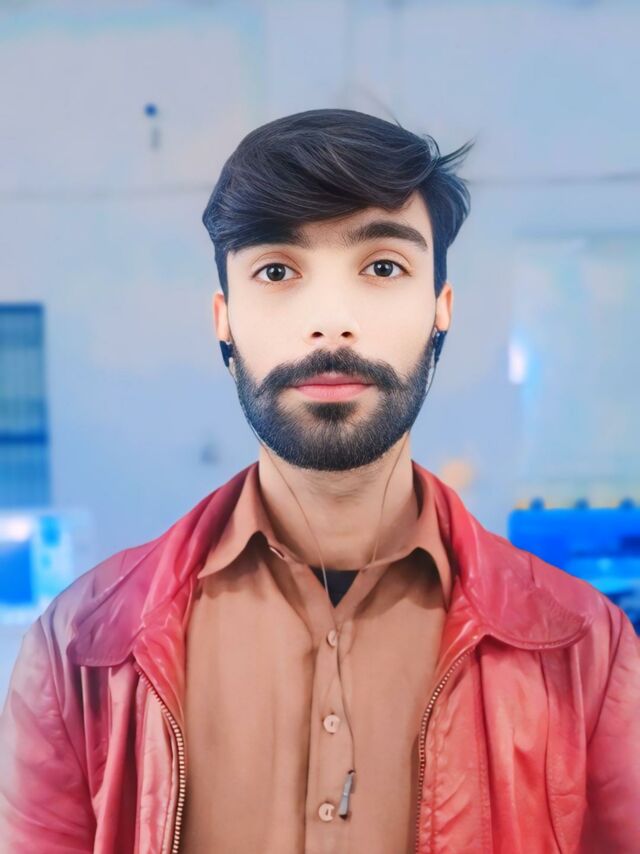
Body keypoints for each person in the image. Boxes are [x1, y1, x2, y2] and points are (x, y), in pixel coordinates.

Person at [0, 108, 638, 854]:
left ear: (441, 310)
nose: (331, 322)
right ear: (224, 319)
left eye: (382, 268)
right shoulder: (78, 651)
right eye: (277, 272)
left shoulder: (587, 652)